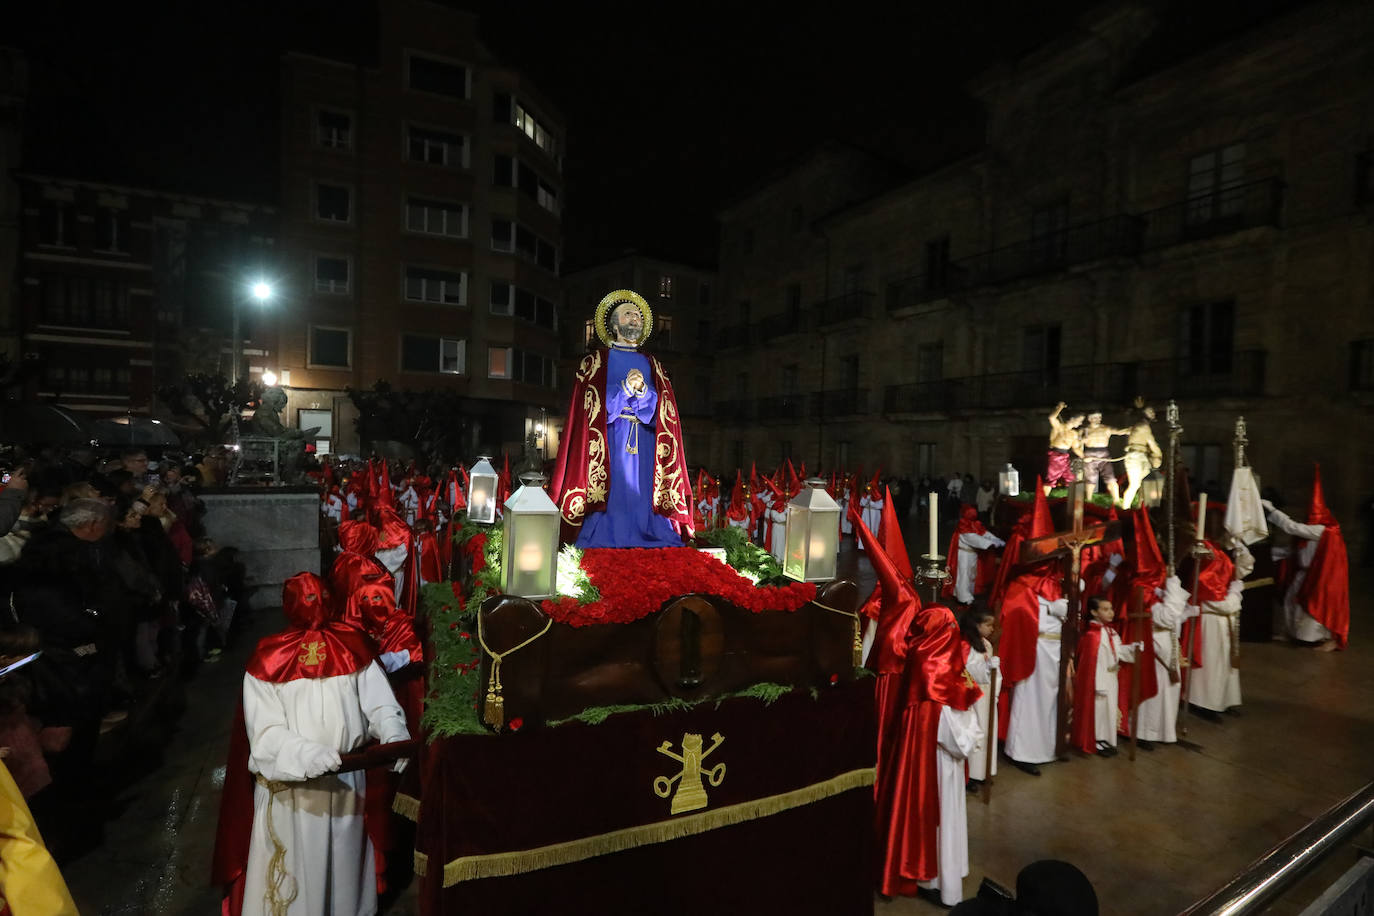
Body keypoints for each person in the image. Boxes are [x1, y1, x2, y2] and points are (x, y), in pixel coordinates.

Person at [213, 572, 409, 916]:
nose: (314, 607)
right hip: (292, 789)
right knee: (298, 873)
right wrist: (311, 755)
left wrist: (393, 732)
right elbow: (266, 733)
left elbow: (379, 702)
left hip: (348, 780)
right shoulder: (266, 659)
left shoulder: (353, 645)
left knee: (344, 862)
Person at [550, 290, 693, 547]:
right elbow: (590, 409)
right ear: (614, 324)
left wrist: (642, 394)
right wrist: (625, 389)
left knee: (643, 491)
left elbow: (665, 410)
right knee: (613, 491)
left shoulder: (654, 365)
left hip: (646, 440)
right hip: (610, 439)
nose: (635, 318)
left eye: (638, 315)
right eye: (628, 314)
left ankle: (651, 530)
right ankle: (603, 534)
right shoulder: (595, 363)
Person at [997, 486, 1064, 775]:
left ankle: (1047, 747)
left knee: (1049, 701)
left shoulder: (1055, 582)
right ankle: (1021, 750)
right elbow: (1017, 615)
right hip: (1032, 653)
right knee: (1030, 700)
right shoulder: (1021, 586)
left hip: (1053, 653)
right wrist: (1051, 609)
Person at [1262, 464, 1348, 651]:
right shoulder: (1310, 532)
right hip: (1303, 574)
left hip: (1319, 577)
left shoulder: (1323, 531)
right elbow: (1294, 552)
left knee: (1313, 608)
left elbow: (1292, 527)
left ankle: (1321, 639)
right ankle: (1292, 634)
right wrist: (1270, 554)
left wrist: (1273, 511)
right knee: (1290, 600)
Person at [1070, 597, 1140, 757]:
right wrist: (1098, 684)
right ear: (1094, 612)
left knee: (1108, 710)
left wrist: (1133, 649)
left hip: (1111, 678)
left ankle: (1105, 738)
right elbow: (1091, 665)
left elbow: (1118, 651)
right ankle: (1095, 739)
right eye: (1105, 609)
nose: (1111, 612)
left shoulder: (1111, 632)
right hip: (1098, 680)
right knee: (1098, 711)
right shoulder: (1091, 636)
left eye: (1111, 608)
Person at [1185, 539, 1244, 716]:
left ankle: (1225, 699)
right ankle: (1205, 702)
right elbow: (1226, 605)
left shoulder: (1220, 586)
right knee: (1211, 666)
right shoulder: (1203, 588)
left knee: (1226, 665)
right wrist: (1235, 593)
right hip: (1209, 627)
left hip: (1223, 626)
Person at [961, 607, 999, 792]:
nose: (991, 629)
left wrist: (995, 682)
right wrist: (987, 669)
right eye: (988, 624)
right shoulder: (965, 645)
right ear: (976, 625)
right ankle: (971, 775)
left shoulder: (987, 644)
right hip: (975, 696)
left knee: (987, 732)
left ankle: (983, 771)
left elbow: (992, 671)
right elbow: (967, 670)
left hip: (987, 695)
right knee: (976, 733)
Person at [945, 506, 1004, 605]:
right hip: (964, 556)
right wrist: (991, 543)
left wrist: (996, 539)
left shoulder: (975, 525)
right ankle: (963, 597)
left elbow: (984, 532)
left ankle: (969, 593)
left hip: (972, 555)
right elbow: (973, 538)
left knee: (971, 575)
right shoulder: (963, 526)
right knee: (963, 575)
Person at [1080, 412, 1127, 504]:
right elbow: (1076, 444)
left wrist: (1130, 430)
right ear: (1090, 419)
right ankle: (1089, 500)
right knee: (1090, 479)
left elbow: (1120, 431)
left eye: (1099, 417)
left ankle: (1116, 500)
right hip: (1090, 454)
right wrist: (1083, 455)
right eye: (1095, 418)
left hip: (1104, 454)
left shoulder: (1106, 428)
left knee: (1111, 478)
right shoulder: (1084, 430)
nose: (1098, 419)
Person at [1044, 402, 1083, 493]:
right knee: (1051, 479)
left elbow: (1076, 448)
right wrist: (1059, 408)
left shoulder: (1074, 433)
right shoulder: (1059, 427)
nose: (1080, 423)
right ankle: (1043, 500)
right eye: (1080, 420)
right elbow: (1051, 418)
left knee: (1070, 478)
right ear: (1073, 419)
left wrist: (1084, 456)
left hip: (1065, 457)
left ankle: (1074, 499)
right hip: (1056, 456)